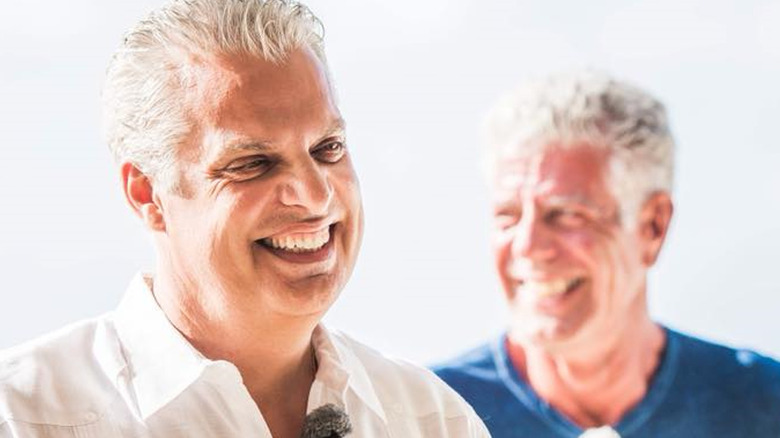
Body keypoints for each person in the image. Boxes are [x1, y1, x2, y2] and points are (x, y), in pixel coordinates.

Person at [0, 1, 489, 437]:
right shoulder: (24, 417)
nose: (316, 195)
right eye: (253, 163)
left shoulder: (435, 420)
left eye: (328, 148)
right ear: (148, 194)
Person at [432, 71, 780, 437]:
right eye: (508, 216)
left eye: (566, 214)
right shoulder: (424, 416)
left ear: (652, 226)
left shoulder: (763, 405)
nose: (527, 246)